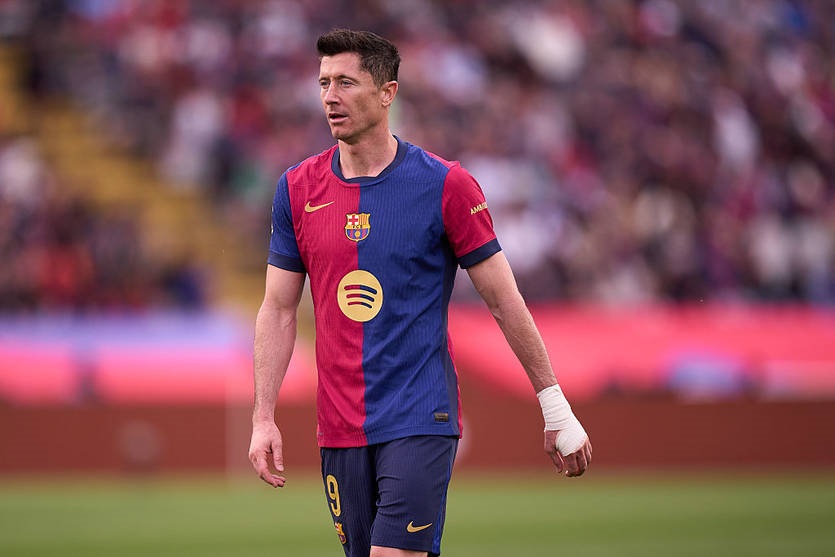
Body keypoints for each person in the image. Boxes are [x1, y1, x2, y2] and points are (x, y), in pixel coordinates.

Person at [248, 28, 592, 557]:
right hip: (338, 426)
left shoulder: (446, 185)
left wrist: (554, 405)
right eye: (323, 83)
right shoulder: (296, 189)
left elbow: (504, 300)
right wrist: (263, 416)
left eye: (346, 82)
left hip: (419, 415)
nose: (330, 97)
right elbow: (277, 309)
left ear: (388, 92)